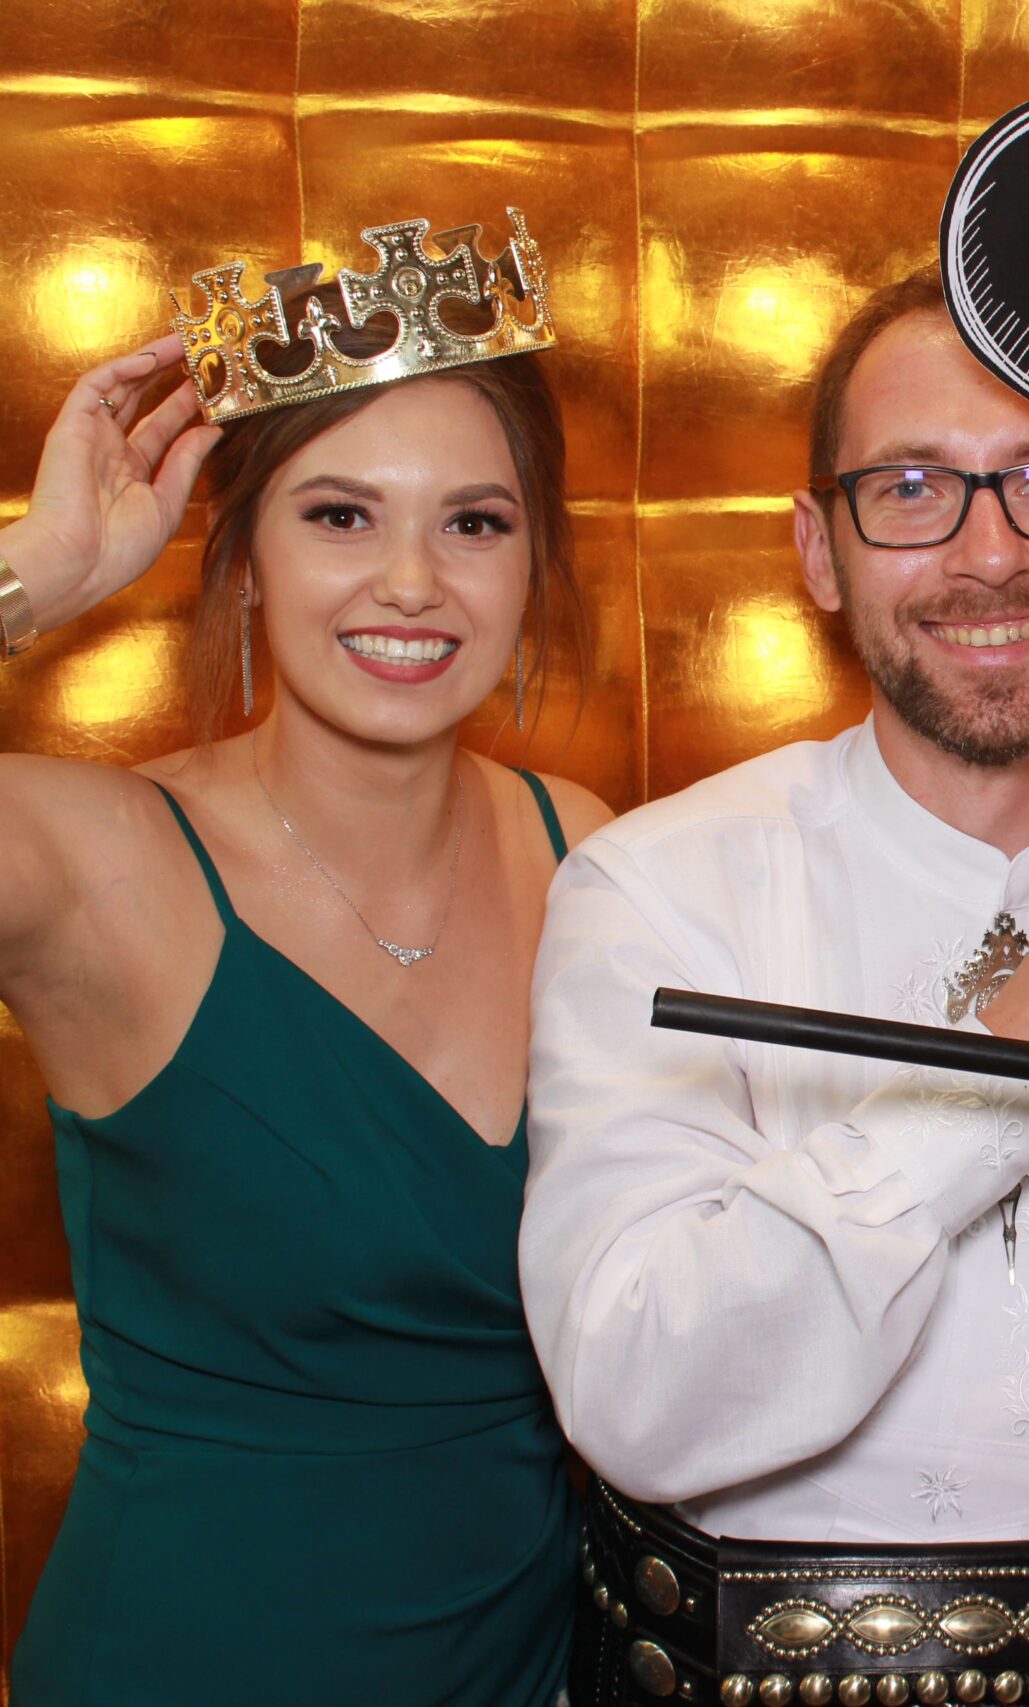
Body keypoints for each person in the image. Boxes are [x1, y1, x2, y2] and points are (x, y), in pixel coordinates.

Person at [516, 264, 1029, 1707]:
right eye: (910, 488)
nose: (990, 553)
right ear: (818, 551)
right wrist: (995, 1080)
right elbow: (633, 1394)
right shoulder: (652, 890)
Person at [0, 214, 610, 1704]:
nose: (412, 581)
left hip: (530, 1663)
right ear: (247, 561)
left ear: (533, 560)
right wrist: (39, 573)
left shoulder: (583, 848)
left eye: (476, 523)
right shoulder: (93, 862)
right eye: (340, 515)